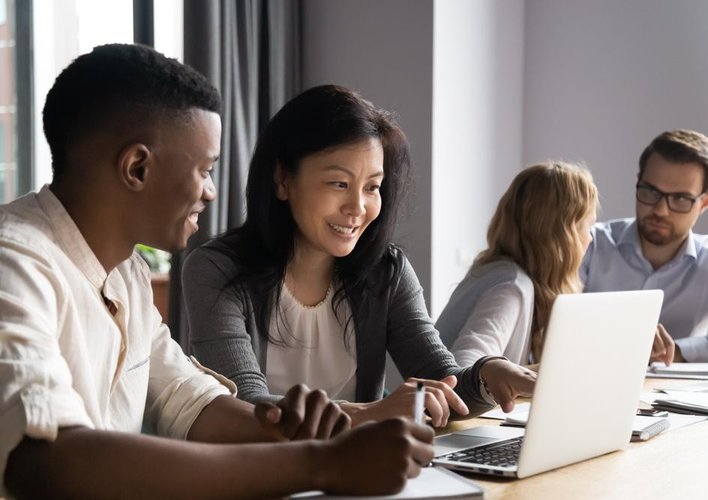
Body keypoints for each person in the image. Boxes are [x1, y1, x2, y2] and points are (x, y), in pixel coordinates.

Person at [0, 44, 435, 499]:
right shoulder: (16, 261)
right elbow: (44, 462)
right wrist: (322, 464)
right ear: (137, 167)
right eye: (206, 169)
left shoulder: (126, 273)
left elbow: (189, 402)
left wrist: (306, 429)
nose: (210, 193)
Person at [183, 84, 536, 428]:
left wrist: (489, 375)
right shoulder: (216, 269)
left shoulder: (387, 271)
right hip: (260, 476)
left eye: (372, 187)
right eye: (339, 183)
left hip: (359, 473)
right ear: (282, 180)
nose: (358, 207)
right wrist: (372, 412)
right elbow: (245, 405)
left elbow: (444, 384)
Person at [581, 129, 708, 363]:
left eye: (680, 198)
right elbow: (546, 329)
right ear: (638, 181)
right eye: (651, 191)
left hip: (679, 397)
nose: (661, 210)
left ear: (705, 203)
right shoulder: (590, 244)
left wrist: (679, 351)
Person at [436, 162, 598, 366]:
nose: (590, 238)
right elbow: (465, 365)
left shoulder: (498, 272)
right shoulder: (511, 286)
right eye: (587, 226)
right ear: (562, 235)